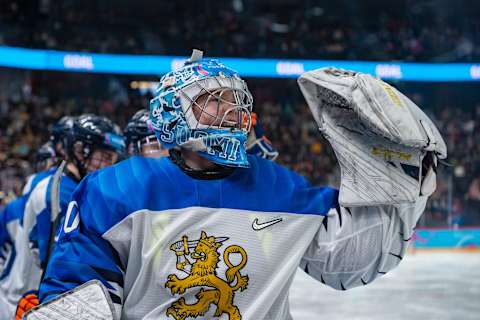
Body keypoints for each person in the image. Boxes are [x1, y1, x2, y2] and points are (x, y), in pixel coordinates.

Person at [37, 51, 441, 320]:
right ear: (171, 113)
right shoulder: (113, 189)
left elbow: (351, 262)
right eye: (212, 99)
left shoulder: (280, 187)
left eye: (236, 100)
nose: (232, 109)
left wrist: (401, 176)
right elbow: (78, 293)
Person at [14, 114, 126, 320]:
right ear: (79, 150)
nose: (109, 164)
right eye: (104, 156)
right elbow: (55, 264)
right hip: (27, 302)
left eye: (112, 158)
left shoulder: (68, 185)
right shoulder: (60, 192)